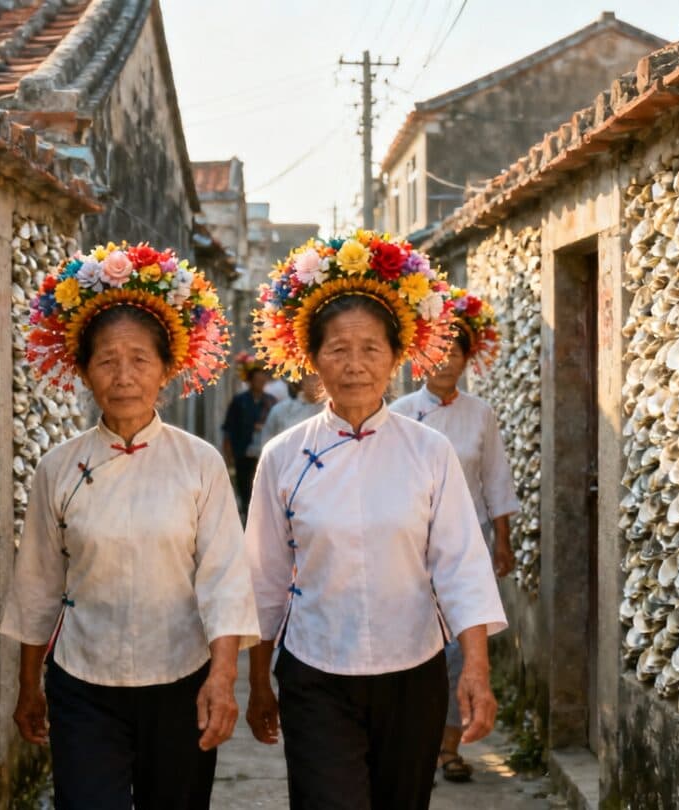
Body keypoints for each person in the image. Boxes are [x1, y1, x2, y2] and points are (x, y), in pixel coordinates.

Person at [243, 232, 507, 810]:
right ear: (312, 359)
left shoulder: (428, 452)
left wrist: (477, 671)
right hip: (314, 670)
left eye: (371, 349)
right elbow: (264, 576)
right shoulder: (283, 456)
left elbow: (461, 564)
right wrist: (260, 678)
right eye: (338, 349)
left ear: (397, 357)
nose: (356, 365)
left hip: (413, 669)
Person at [2, 242, 260, 810]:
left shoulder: (200, 464)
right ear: (83, 370)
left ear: (167, 369)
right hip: (83, 683)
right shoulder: (58, 468)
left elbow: (223, 579)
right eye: (107, 360)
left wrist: (222, 679)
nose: (123, 376)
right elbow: (38, 583)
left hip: (182, 680)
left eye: (140, 359)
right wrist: (28, 686)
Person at [390, 287, 520, 783]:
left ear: (469, 359)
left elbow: (496, 477)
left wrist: (502, 541)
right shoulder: (400, 412)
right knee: (415, 642)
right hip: (409, 550)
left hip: (466, 549)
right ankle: (409, 738)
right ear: (421, 358)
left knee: (458, 651)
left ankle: (447, 748)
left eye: (456, 354)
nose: (445, 363)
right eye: (437, 353)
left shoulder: (479, 414)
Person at [222, 353, 276, 508]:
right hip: (243, 454)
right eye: (257, 379)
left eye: (263, 379)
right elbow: (229, 428)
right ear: (250, 380)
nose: (261, 382)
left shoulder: (271, 402)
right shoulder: (239, 401)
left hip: (263, 454)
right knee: (245, 492)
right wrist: (229, 454)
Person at [259, 372, 325, 445]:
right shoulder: (281, 410)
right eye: (309, 375)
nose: (316, 380)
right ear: (301, 378)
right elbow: (267, 441)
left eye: (319, 375)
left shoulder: (334, 410)